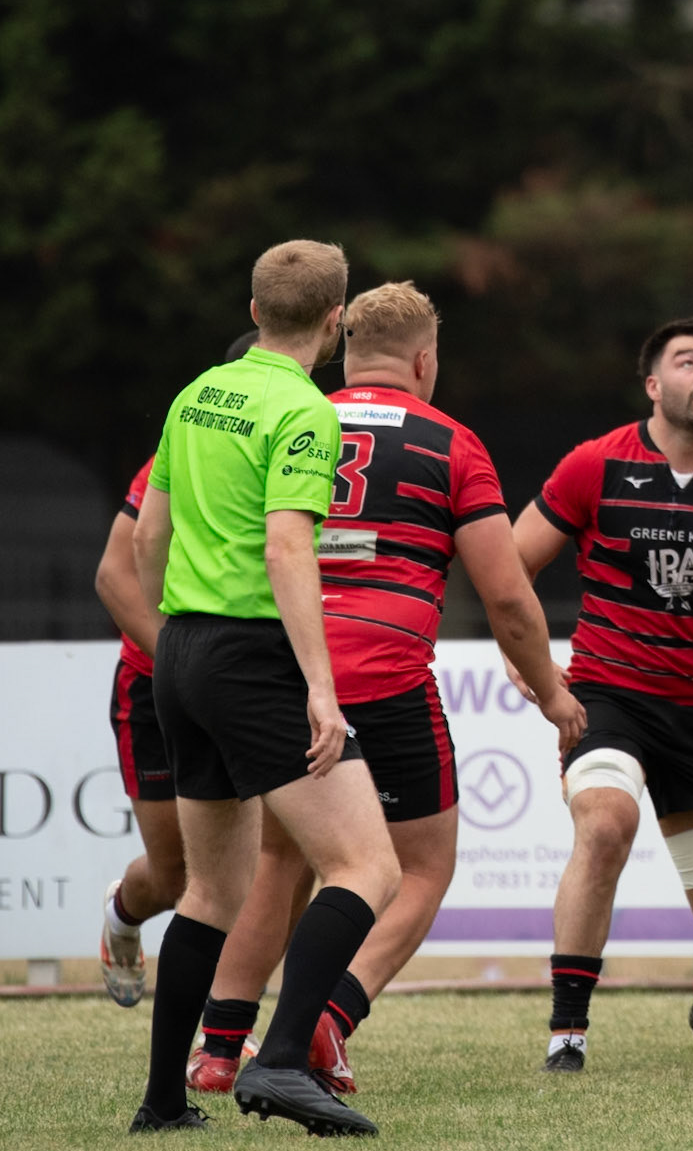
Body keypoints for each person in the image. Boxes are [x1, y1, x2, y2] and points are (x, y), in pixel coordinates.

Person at [181, 283, 584, 1097]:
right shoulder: (451, 444)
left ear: (342, 345)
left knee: (281, 857)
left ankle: (218, 1048)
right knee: (422, 866)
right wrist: (553, 694)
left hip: (283, 670)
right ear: (426, 359)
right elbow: (507, 598)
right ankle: (329, 1015)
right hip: (386, 673)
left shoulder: (294, 415)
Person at [128, 240, 399, 1137]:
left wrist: (179, 641)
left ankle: (164, 1101)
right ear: (335, 321)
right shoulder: (308, 411)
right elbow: (288, 549)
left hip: (181, 652)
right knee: (367, 866)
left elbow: (147, 539)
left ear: (253, 312)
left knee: (214, 889)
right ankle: (281, 1063)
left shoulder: (195, 394)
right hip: (251, 659)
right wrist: (321, 688)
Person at [510, 317, 693, 1074]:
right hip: (606, 696)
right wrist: (537, 671)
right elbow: (506, 569)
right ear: (654, 385)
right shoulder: (597, 464)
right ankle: (567, 1032)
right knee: (606, 824)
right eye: (687, 362)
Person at [93, 331, 260, 1007]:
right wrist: (185, 662)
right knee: (175, 877)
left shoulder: (298, 447)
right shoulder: (180, 450)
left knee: (260, 867)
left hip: (247, 683)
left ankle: (230, 1027)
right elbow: (113, 575)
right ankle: (122, 917)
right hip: (158, 685)